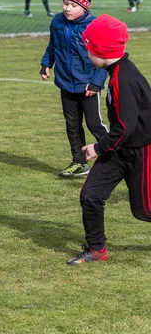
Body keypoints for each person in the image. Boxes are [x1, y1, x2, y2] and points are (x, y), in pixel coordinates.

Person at [67, 14, 151, 265]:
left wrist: (97, 147)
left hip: (140, 150)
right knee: (91, 195)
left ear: (100, 50)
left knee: (144, 210)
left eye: (88, 48)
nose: (86, 53)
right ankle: (97, 249)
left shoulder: (124, 78)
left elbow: (126, 126)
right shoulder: (114, 72)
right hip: (119, 149)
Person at [41, 0, 108, 178]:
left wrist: (96, 82)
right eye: (65, 3)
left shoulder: (93, 26)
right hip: (65, 83)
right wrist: (46, 63)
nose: (67, 8)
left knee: (94, 124)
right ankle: (79, 162)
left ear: (85, 6)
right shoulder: (57, 22)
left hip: (88, 85)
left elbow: (104, 57)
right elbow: (53, 45)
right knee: (72, 125)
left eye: (73, 5)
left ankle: (116, 155)